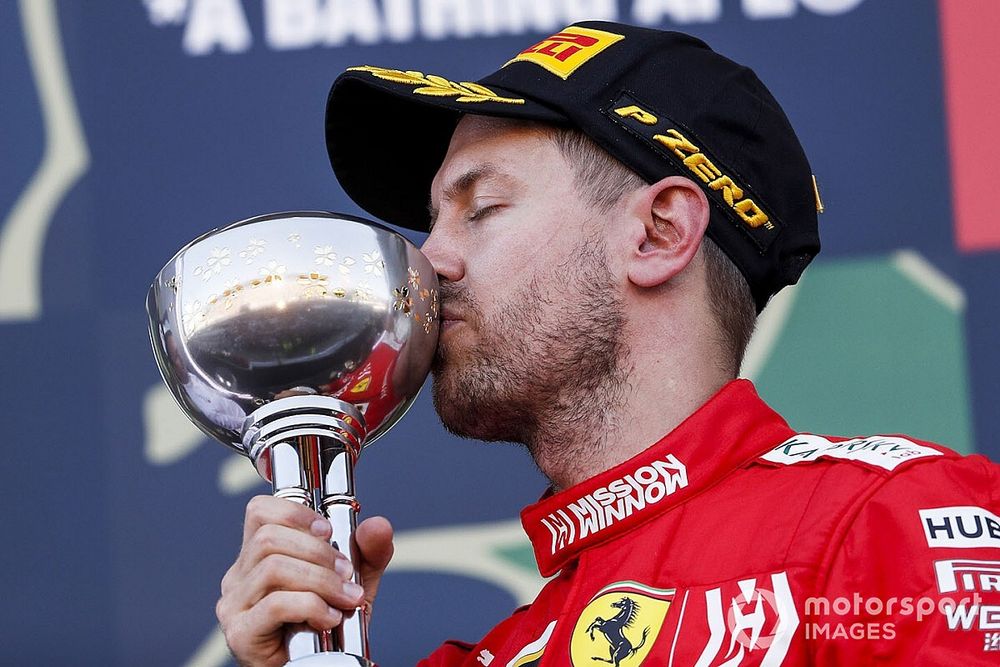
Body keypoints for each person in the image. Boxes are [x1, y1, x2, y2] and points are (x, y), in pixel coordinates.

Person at [216, 22, 1000, 666]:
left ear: (658, 233)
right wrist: (310, 656)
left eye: (482, 208)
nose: (429, 260)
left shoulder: (887, 521)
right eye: (432, 223)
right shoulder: (496, 655)